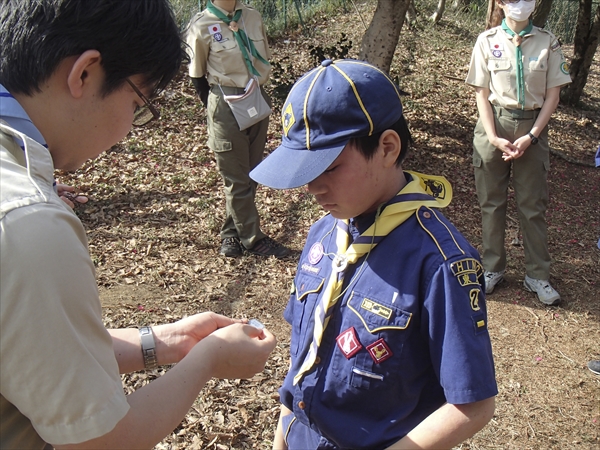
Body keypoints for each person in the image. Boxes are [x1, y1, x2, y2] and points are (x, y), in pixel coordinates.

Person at [0, 1, 277, 448]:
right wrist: (207, 359)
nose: (130, 127)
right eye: (137, 102)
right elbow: (103, 441)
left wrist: (166, 341)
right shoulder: (28, 223)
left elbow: (39, 348)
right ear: (85, 73)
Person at [250, 59, 497, 449]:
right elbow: (304, 351)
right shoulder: (325, 234)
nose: (313, 187)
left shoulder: (439, 263)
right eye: (304, 169)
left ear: (386, 147)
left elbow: (474, 404)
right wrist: (282, 433)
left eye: (328, 167)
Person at [465, 0, 571, 305]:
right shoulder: (487, 41)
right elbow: (481, 94)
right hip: (493, 125)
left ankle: (537, 275)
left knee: (532, 205)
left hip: (532, 128)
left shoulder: (548, 42)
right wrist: (494, 137)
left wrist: (532, 136)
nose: (519, 4)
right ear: (500, 2)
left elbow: (553, 94)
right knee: (491, 202)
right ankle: (492, 268)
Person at [185, 0, 289, 258]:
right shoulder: (201, 25)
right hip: (226, 102)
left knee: (251, 174)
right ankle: (253, 239)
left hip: (256, 98)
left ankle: (231, 234)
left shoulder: (252, 17)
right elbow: (197, 77)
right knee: (236, 177)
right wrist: (217, 108)